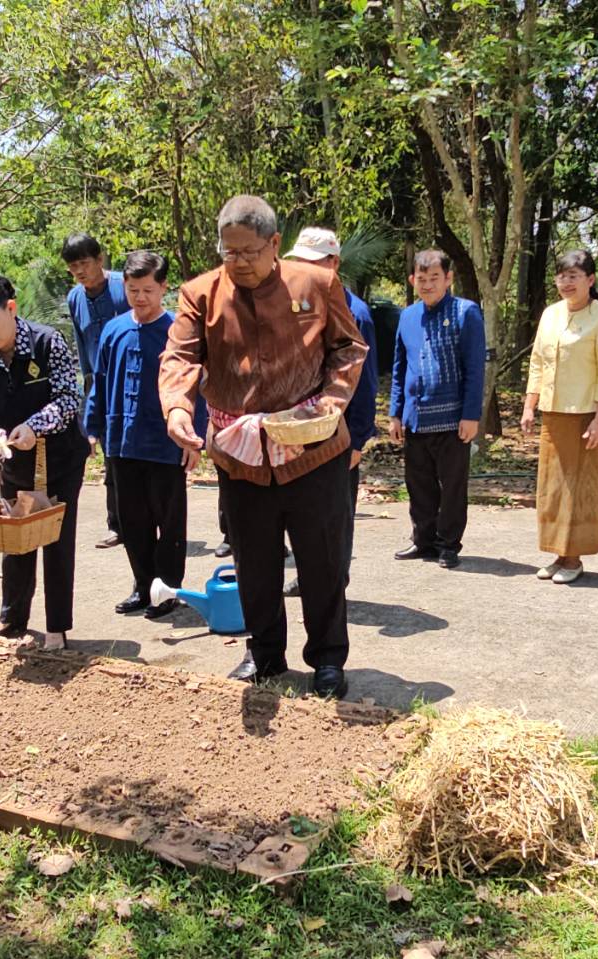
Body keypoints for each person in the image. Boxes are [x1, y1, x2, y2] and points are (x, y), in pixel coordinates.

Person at [159, 194, 368, 699]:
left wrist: (332, 404)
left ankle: (327, 661)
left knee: (321, 562)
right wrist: (179, 409)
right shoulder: (200, 294)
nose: (239, 263)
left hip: (311, 452)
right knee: (255, 563)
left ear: (275, 244)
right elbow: (180, 357)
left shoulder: (316, 283)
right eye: (229, 252)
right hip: (241, 457)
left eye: (249, 252)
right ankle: (267, 654)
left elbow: (348, 348)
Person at [0, 275, 88, 648]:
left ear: (10, 309)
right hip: (10, 460)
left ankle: (57, 627)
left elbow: (66, 398)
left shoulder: (48, 342)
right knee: (16, 539)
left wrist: (34, 427)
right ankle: (12, 618)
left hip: (60, 457)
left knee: (55, 539)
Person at [85, 251, 206, 620]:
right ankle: (142, 585)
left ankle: (167, 590)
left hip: (166, 442)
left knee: (168, 520)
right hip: (122, 441)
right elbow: (100, 382)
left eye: (148, 290)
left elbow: (195, 388)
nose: (140, 298)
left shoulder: (178, 333)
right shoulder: (114, 329)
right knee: (132, 519)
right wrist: (91, 428)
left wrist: (194, 438)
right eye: (133, 289)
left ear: (164, 287)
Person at [282, 226, 378, 598]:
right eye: (300, 263)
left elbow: (365, 383)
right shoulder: (295, 306)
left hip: (338, 434)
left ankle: (333, 581)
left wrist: (357, 439)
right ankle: (308, 576)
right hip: (298, 432)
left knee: (335, 516)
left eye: (315, 263)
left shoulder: (357, 313)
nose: (306, 271)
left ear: (334, 263)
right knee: (301, 511)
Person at [520, 250, 598, 585]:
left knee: (577, 487)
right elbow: (537, 361)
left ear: (590, 280)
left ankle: (574, 557)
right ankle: (558, 553)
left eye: (574, 275)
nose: (566, 282)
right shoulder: (550, 314)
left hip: (584, 413)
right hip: (553, 410)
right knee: (552, 486)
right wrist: (530, 405)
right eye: (562, 275)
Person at [388, 250, 485, 570]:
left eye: (435, 278)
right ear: (412, 280)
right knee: (419, 485)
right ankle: (423, 540)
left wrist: (471, 415)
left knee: (453, 485)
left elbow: (474, 369)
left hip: (453, 418)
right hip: (416, 417)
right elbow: (399, 368)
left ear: (448, 278)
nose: (427, 285)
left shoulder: (465, 312)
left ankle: (448, 544)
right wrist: (395, 413)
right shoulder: (408, 316)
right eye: (422, 279)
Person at [63, 233, 130, 550]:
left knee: (138, 454)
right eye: (73, 266)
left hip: (132, 381)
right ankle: (118, 525)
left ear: (100, 260)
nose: (80, 271)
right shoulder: (74, 298)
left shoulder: (124, 286)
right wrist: (87, 383)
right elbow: (80, 339)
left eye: (85, 263)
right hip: (99, 385)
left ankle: (148, 522)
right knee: (110, 456)